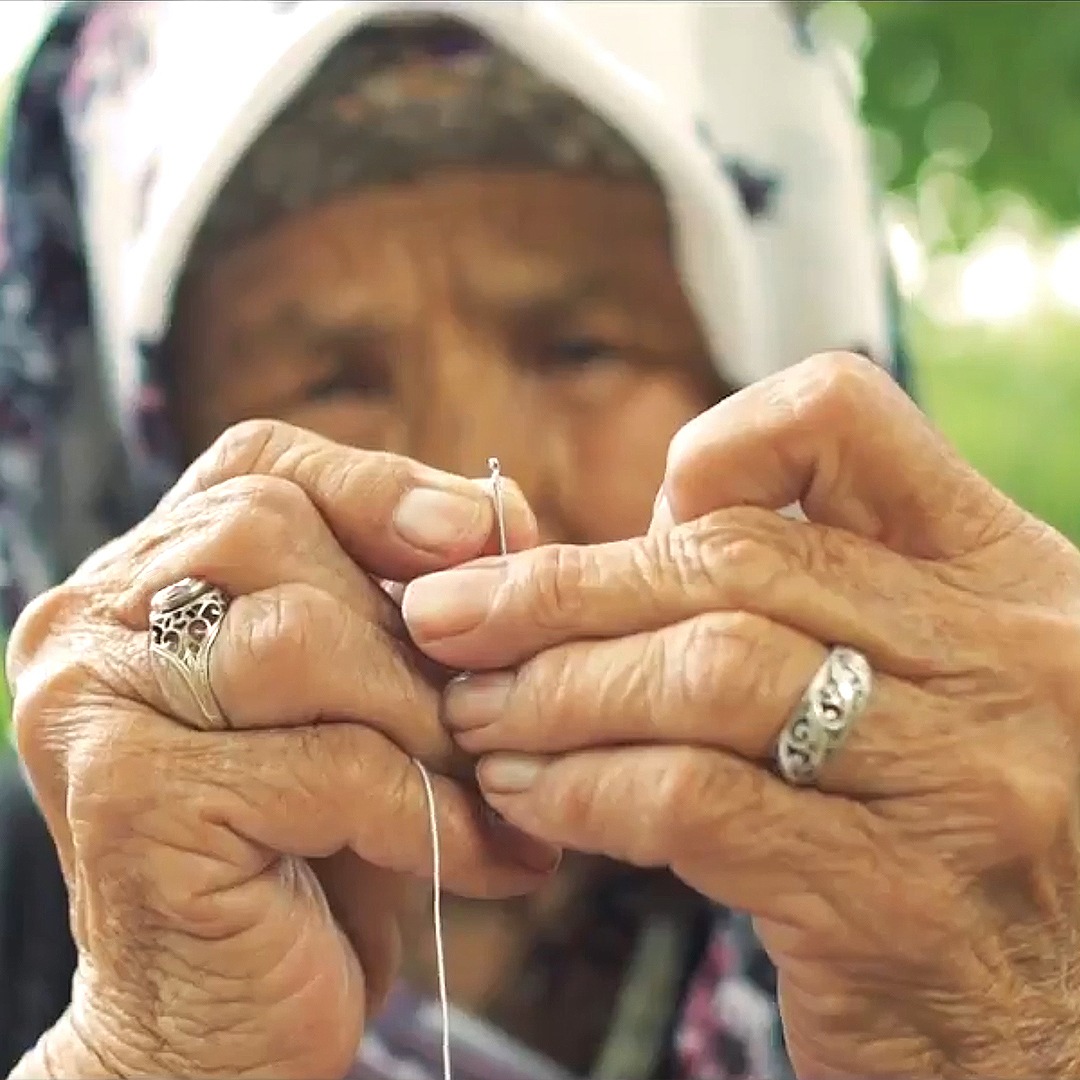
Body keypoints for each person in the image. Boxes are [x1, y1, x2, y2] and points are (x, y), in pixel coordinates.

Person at [3, 2, 1080, 1078]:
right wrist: (150, 1046)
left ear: (759, 391)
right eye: (334, 380)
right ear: (162, 456)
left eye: (581, 349)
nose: (482, 487)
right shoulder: (39, 911)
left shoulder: (1015, 873)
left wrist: (1012, 1027)